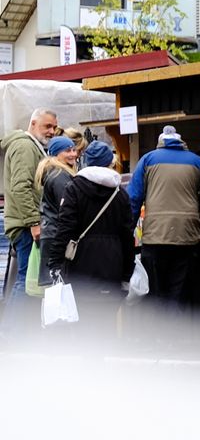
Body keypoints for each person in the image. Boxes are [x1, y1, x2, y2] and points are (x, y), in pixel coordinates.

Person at [44, 140, 135, 344]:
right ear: (109, 164)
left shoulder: (74, 188)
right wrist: (127, 272)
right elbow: (127, 235)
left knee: (82, 325)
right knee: (106, 326)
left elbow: (64, 228)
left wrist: (55, 262)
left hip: (80, 264)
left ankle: (88, 368)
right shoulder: (120, 193)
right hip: (113, 264)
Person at [128, 125, 200, 324]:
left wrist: (129, 229)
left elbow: (133, 198)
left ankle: (158, 336)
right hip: (186, 235)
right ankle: (174, 336)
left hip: (155, 235)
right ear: (181, 141)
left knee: (156, 288)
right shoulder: (197, 161)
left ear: (160, 141)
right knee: (178, 287)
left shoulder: (147, 160)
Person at [3, 107, 58, 317]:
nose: (52, 131)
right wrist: (35, 223)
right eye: (47, 126)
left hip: (25, 224)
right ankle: (12, 336)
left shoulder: (32, 146)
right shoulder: (25, 147)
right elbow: (20, 187)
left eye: (54, 127)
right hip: (27, 227)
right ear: (33, 124)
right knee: (27, 282)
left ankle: (17, 336)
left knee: (28, 282)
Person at [35, 136, 80, 273]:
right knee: (59, 285)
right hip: (57, 235)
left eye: (73, 150)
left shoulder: (55, 173)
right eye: (67, 151)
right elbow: (67, 209)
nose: (73, 154)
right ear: (56, 154)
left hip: (52, 232)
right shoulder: (60, 176)